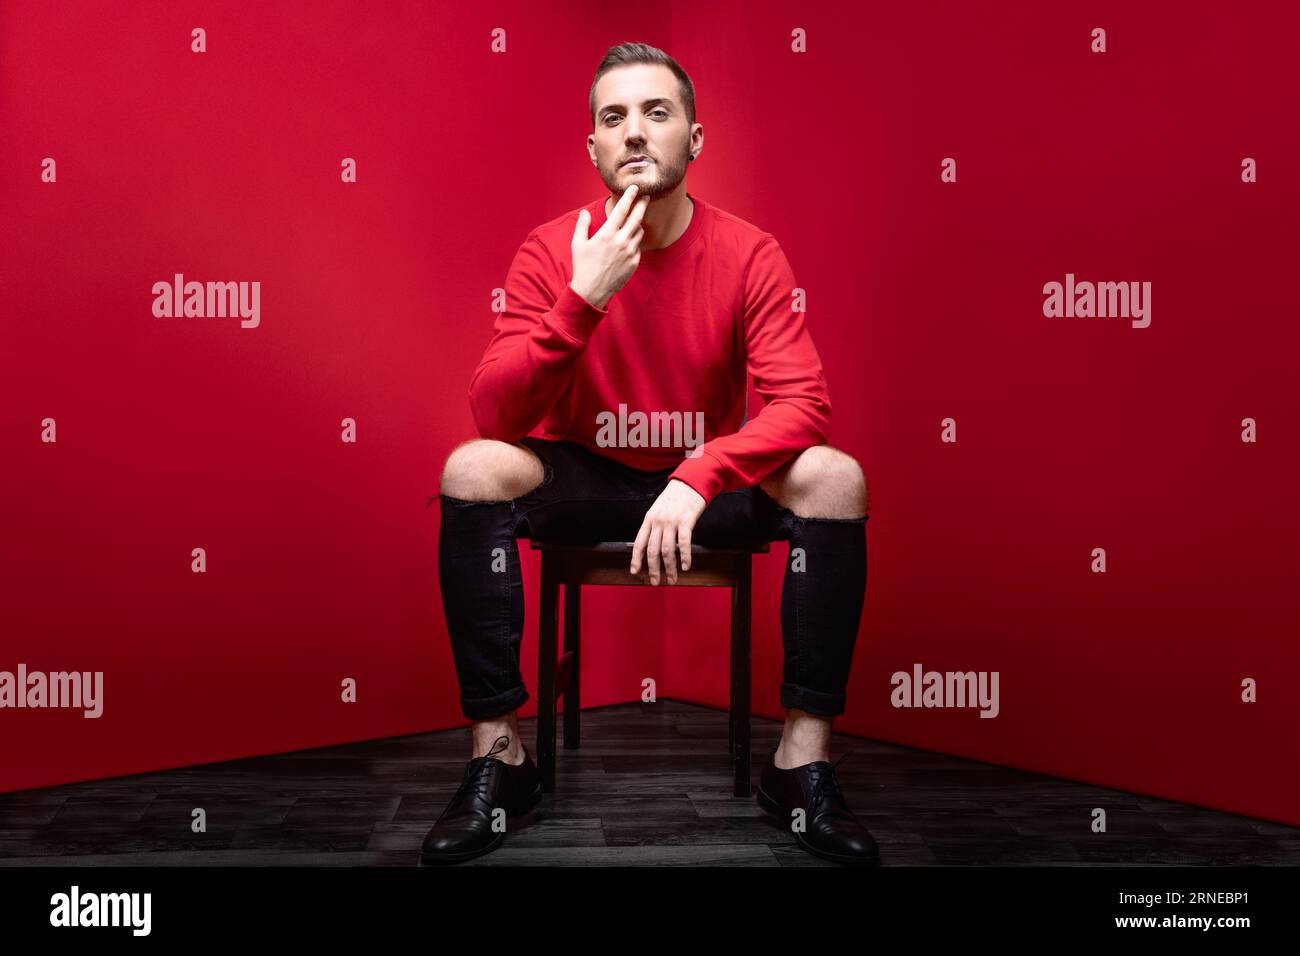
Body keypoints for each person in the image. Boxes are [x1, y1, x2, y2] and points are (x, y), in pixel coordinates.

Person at [421, 42, 878, 866]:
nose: (635, 133)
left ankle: (800, 765)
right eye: (614, 118)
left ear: (695, 140)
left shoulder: (750, 253)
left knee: (836, 477)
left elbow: (804, 402)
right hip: (587, 472)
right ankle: (499, 759)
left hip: (707, 477)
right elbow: (493, 411)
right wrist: (583, 298)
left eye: (656, 113)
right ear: (592, 148)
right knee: (471, 468)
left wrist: (699, 473)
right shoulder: (552, 250)